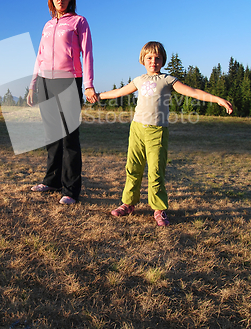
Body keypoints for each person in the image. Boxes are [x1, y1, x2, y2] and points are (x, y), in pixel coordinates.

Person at [98, 41, 233, 226]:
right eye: (149, 58)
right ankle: (128, 204)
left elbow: (192, 92)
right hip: (137, 129)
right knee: (133, 168)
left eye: (157, 58)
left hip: (157, 131)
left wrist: (216, 99)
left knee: (155, 172)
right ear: (142, 60)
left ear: (163, 61)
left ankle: (159, 209)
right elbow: (119, 92)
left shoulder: (168, 80)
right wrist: (98, 95)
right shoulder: (138, 80)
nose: (153, 61)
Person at [27, 0, 98, 205]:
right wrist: (33, 84)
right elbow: (39, 56)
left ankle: (70, 190)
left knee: (69, 137)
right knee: (52, 136)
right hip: (46, 82)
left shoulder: (79, 22)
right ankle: (52, 181)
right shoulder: (47, 26)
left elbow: (87, 53)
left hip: (69, 81)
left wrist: (88, 84)